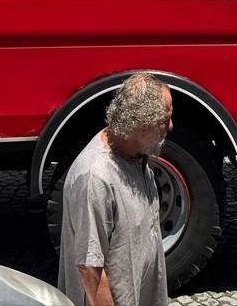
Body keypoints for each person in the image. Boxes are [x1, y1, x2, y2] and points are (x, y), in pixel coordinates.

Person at [57, 73, 172, 306]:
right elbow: (90, 268)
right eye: (164, 119)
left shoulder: (135, 154)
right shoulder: (95, 177)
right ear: (141, 123)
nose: (170, 126)